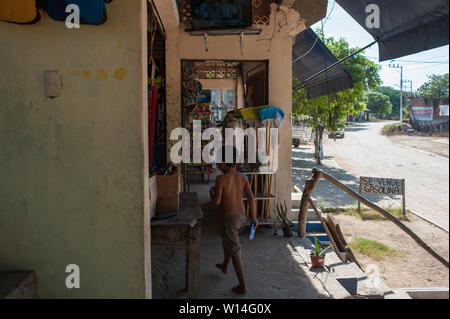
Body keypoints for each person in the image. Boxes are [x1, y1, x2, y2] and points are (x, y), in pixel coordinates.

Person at [210, 146, 258, 295]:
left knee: (235, 250)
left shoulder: (221, 179)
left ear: (224, 162)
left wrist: (212, 193)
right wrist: (254, 217)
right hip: (241, 218)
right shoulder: (242, 177)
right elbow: (251, 198)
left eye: (218, 161)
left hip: (229, 219)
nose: (217, 164)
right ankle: (224, 265)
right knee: (232, 242)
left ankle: (242, 286)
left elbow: (216, 202)